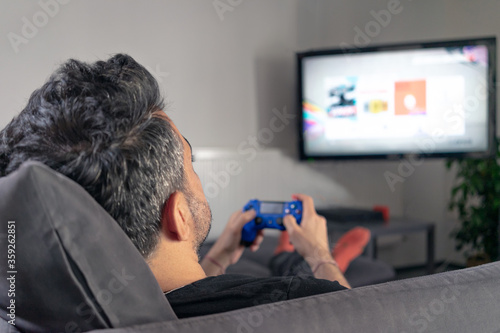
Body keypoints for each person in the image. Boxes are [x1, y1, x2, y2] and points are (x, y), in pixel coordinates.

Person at [0, 54, 370, 319]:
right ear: (178, 215)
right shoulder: (293, 301)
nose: (195, 173)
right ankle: (308, 254)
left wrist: (218, 257)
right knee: (301, 261)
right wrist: (321, 257)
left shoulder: (34, 306)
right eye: (189, 163)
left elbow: (183, 305)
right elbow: (367, 319)